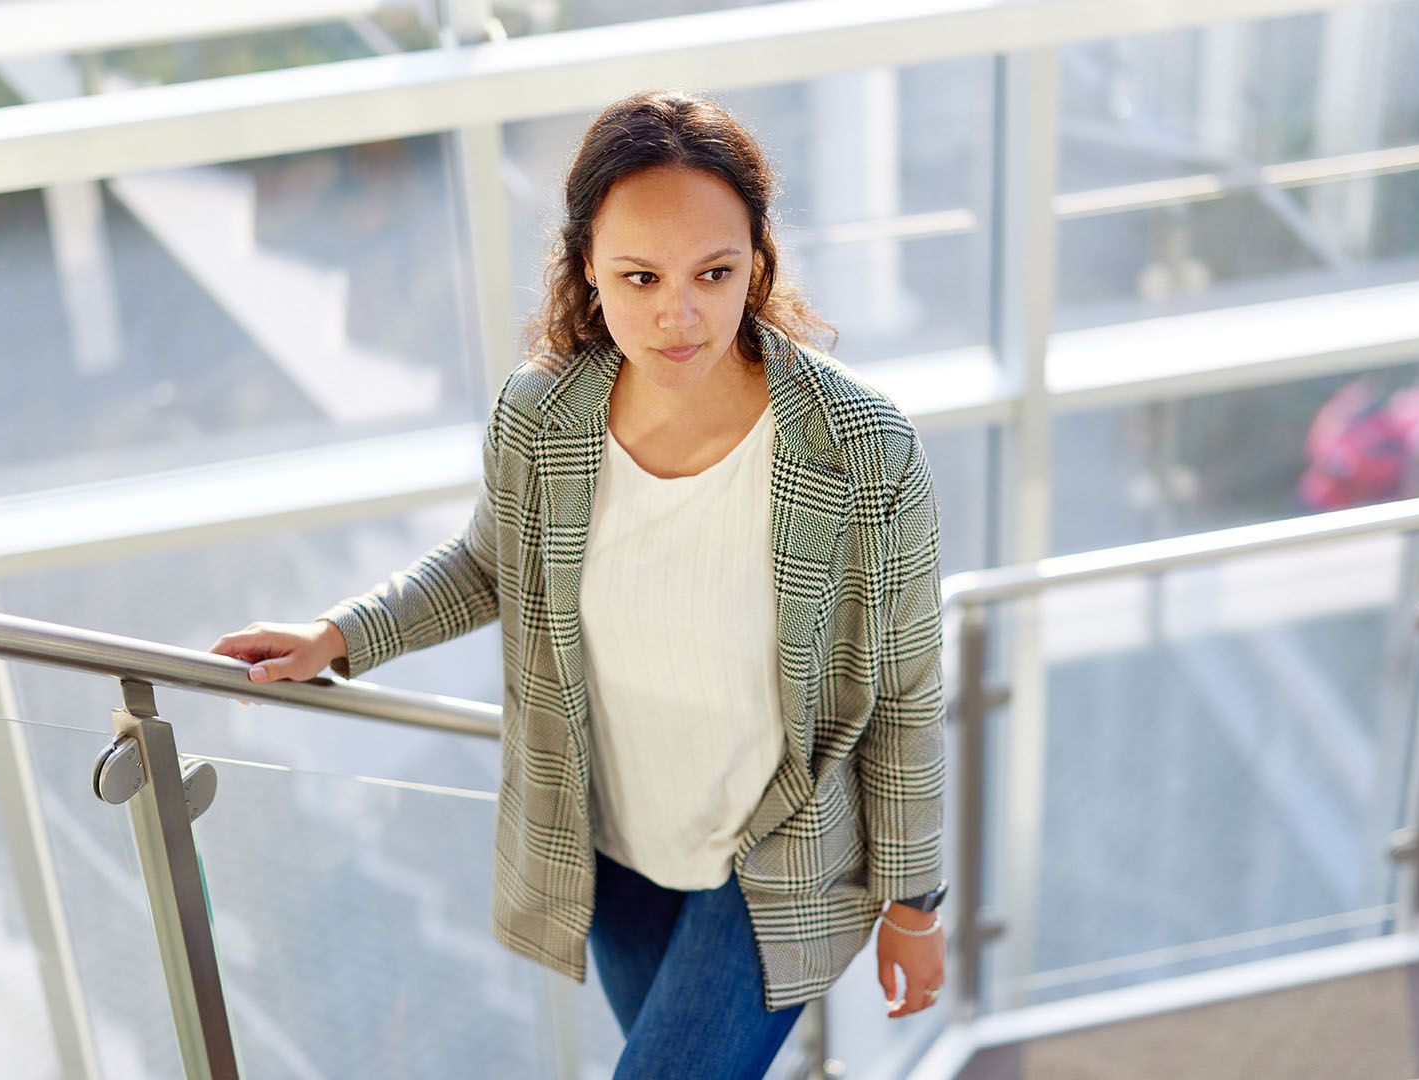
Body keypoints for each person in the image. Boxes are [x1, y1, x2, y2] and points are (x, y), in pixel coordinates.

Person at [210, 89, 947, 1079]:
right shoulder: (543, 412)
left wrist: (914, 904)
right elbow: (487, 566)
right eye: (640, 276)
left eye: (713, 273)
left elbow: (904, 694)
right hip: (613, 842)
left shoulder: (860, 446)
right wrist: (339, 635)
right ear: (588, 270)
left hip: (778, 861)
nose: (677, 315)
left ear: (757, 264)